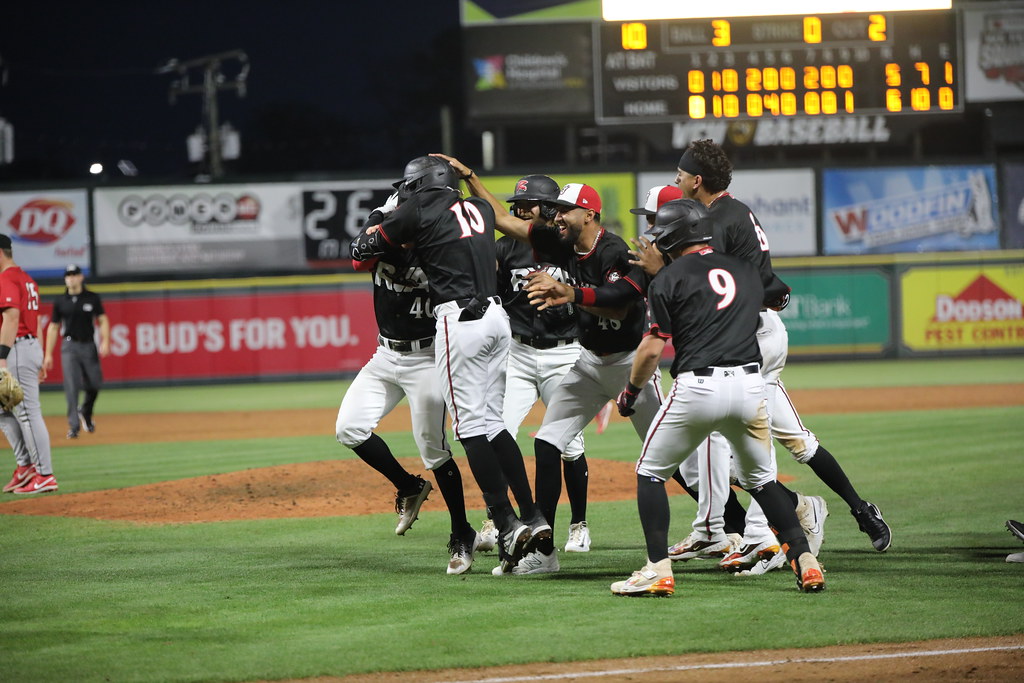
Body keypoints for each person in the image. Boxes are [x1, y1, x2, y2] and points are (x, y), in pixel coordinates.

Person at [633, 139, 890, 564]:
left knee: (723, 434)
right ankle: (843, 510)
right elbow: (770, 286)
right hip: (753, 329)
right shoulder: (735, 211)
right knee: (784, 438)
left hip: (746, 334)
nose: (676, 180)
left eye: (681, 174)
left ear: (697, 181)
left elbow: (711, 285)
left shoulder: (712, 220)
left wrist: (665, 273)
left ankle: (744, 533)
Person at [610, 199, 825, 596]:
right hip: (749, 386)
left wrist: (630, 392)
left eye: (661, 237)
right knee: (762, 481)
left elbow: (652, 349)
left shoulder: (668, 279)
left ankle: (657, 569)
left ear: (674, 238)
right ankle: (805, 559)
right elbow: (776, 296)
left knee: (650, 473)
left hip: (698, 386)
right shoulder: (744, 269)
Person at [350, 155, 546, 575]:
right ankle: (533, 518)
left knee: (469, 427)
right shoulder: (477, 207)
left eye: (409, 186)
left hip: (460, 320)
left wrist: (387, 213)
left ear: (420, 184)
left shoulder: (418, 209)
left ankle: (507, 524)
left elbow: (361, 248)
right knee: (492, 423)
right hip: (497, 318)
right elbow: (504, 224)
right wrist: (471, 178)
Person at [341, 203, 481, 574]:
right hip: (385, 355)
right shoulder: (382, 244)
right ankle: (408, 485)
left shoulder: (440, 253)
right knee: (349, 428)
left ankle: (461, 532)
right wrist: (376, 216)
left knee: (433, 450)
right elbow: (357, 259)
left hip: (427, 358)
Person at [495, 174, 591, 554]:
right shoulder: (504, 249)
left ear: (550, 209)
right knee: (498, 430)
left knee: (569, 444)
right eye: (517, 204)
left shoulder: (569, 248)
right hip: (518, 352)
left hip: (564, 352)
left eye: (529, 203)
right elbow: (495, 300)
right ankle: (500, 517)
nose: (520, 209)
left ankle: (579, 524)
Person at [0, 234, 57, 495]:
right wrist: (42, 353)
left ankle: (44, 474)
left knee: (26, 412)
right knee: (4, 410)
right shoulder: (26, 278)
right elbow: (35, 319)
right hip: (26, 345)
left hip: (17, 350)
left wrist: (2, 357)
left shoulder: (7, 279)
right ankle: (26, 466)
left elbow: (12, 318)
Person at [42, 264, 110, 439]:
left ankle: (85, 411)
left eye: (74, 274)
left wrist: (106, 341)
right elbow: (53, 327)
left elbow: (102, 320)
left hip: (88, 345)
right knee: (71, 387)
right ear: (65, 278)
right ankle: (73, 426)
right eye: (68, 275)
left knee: (95, 383)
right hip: (69, 346)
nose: (71, 278)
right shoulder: (60, 300)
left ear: (81, 277)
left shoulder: (92, 297)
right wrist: (48, 354)